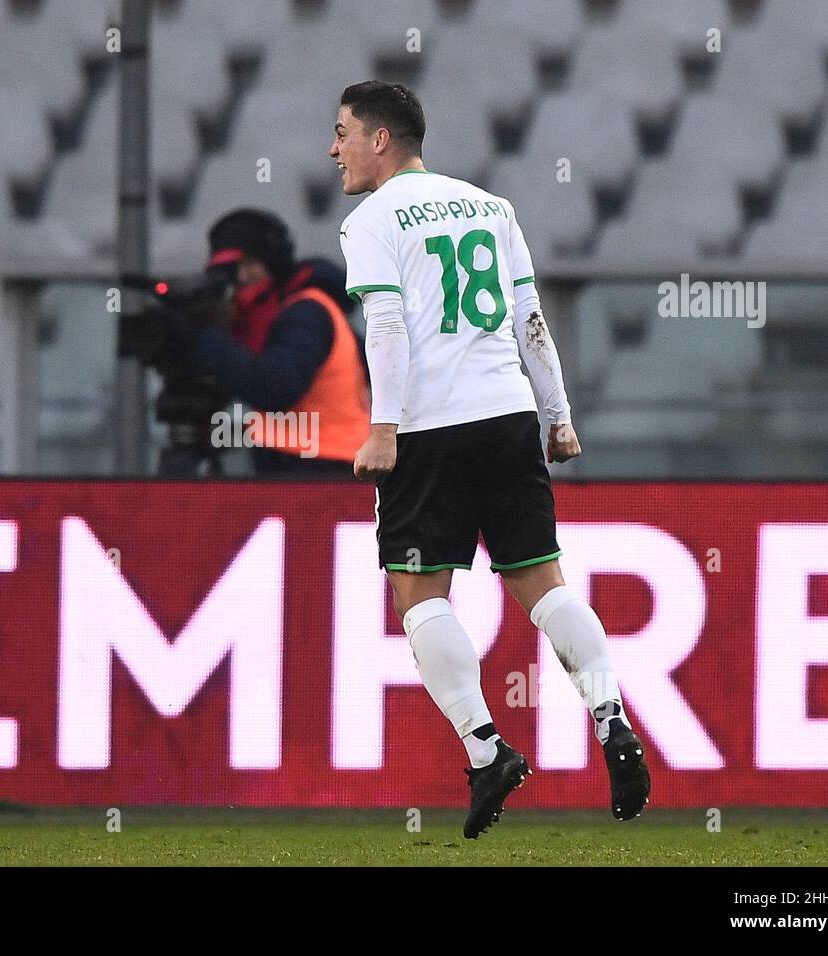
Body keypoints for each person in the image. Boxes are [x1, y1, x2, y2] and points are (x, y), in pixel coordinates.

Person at [330, 80, 651, 837]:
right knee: (544, 583)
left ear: (381, 139)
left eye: (341, 131)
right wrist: (559, 420)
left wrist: (383, 427)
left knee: (419, 596)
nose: (332, 148)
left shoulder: (370, 219)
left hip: (429, 426)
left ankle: (485, 751)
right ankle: (613, 720)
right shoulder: (490, 207)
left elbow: (388, 325)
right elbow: (529, 320)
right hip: (507, 416)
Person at [186, 209, 370, 475]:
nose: (242, 278)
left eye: (251, 264)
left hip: (323, 469)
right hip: (308, 464)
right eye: (232, 270)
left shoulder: (306, 313)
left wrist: (203, 339)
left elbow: (276, 387)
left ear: (274, 264)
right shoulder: (288, 313)